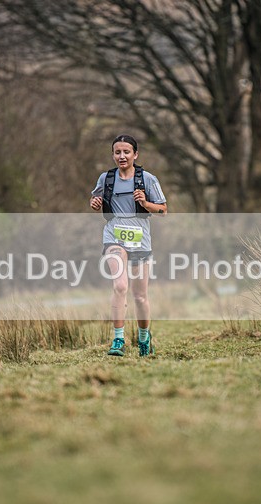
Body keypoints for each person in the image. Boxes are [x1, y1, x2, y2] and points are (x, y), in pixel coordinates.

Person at [90, 134, 167, 357]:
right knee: (120, 285)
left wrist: (144, 203)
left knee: (140, 296)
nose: (121, 156)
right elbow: (95, 200)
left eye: (126, 152)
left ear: (135, 154)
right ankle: (118, 339)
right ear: (113, 155)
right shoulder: (106, 178)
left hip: (140, 239)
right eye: (117, 152)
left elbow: (163, 210)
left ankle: (144, 338)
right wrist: (95, 203)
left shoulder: (148, 179)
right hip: (114, 236)